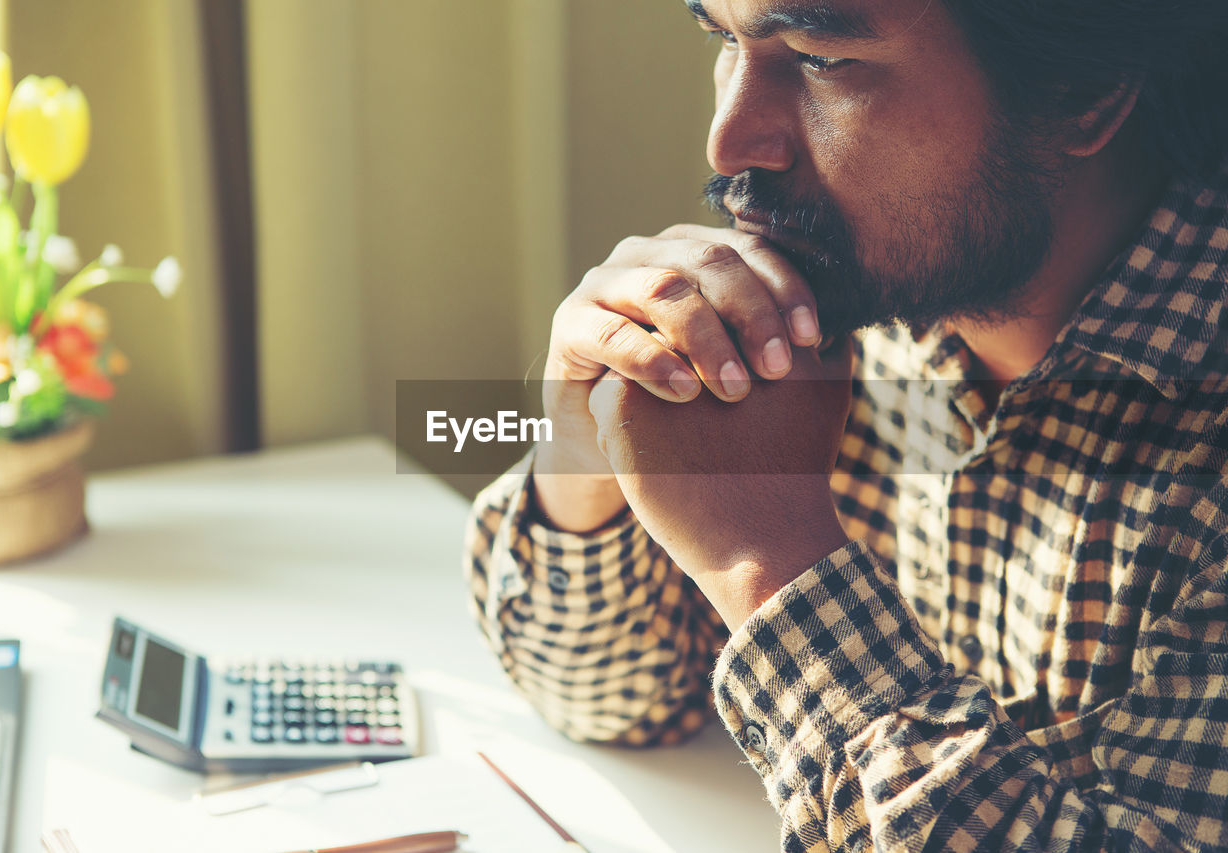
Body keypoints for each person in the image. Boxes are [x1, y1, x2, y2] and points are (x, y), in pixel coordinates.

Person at [465, 0, 1228, 849]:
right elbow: (613, 699)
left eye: (823, 59)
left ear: (1084, 91)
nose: (730, 140)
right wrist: (586, 454)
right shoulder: (854, 297)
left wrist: (771, 564)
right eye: (725, 38)